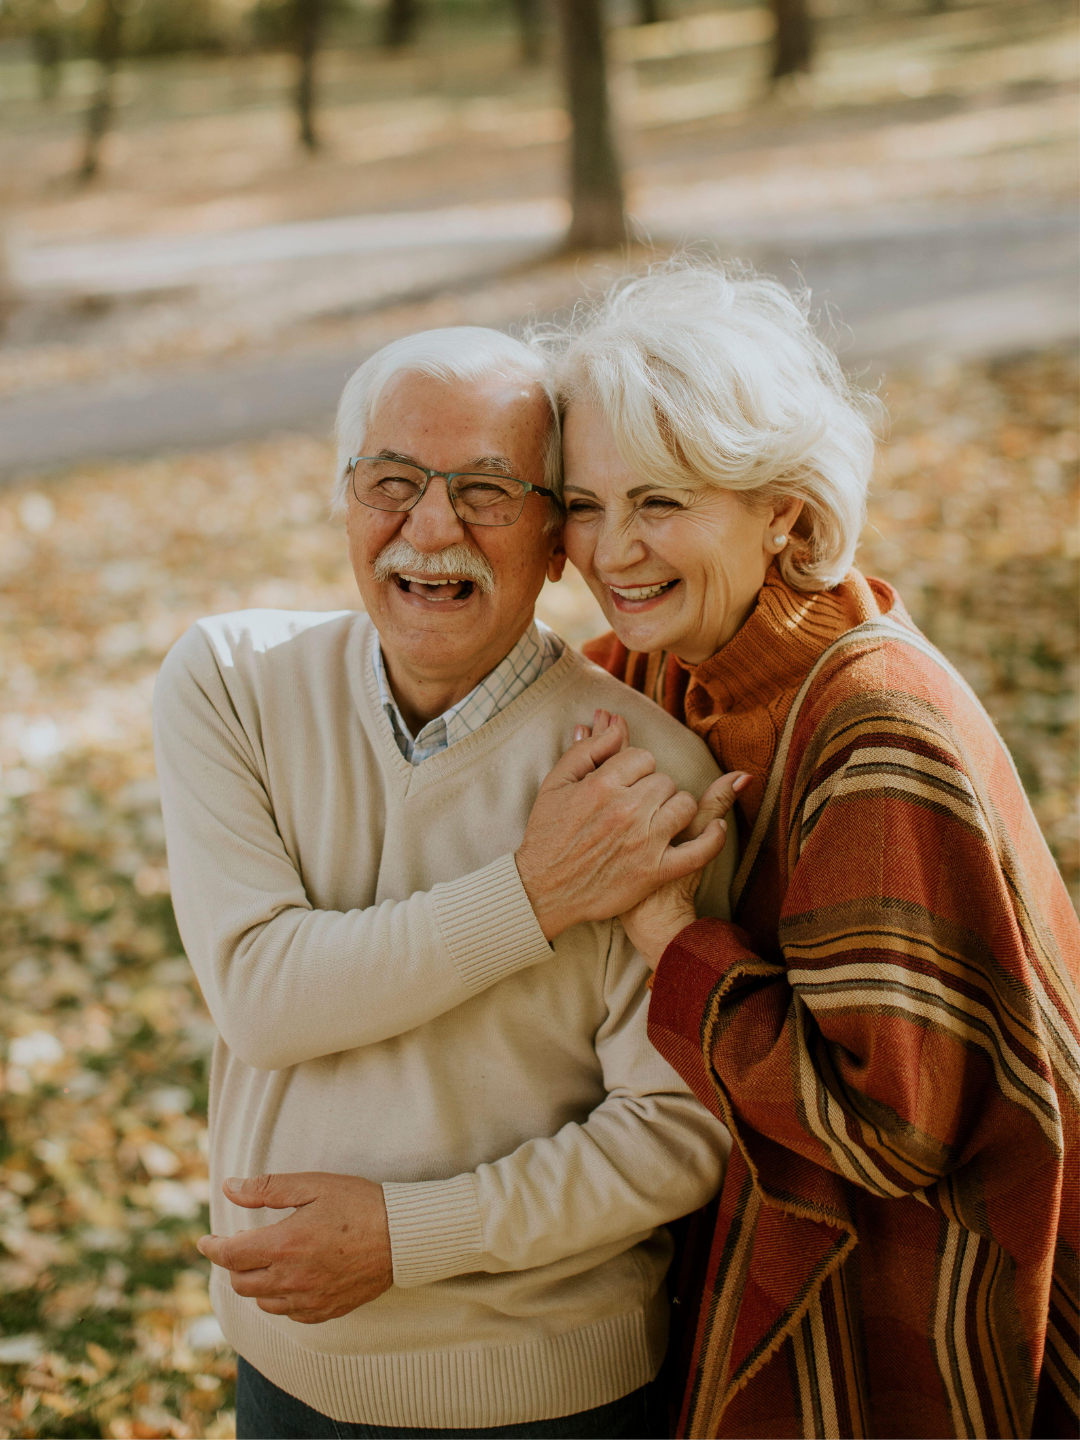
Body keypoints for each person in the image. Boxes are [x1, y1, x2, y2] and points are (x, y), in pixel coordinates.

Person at [153, 326, 739, 1440]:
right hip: (282, 1365)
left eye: (486, 490)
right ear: (345, 500)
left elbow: (677, 1134)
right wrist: (533, 893)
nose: (430, 528)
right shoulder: (232, 685)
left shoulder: (642, 780)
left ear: (556, 541)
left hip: (547, 1393)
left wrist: (407, 1237)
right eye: (392, 481)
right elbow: (262, 999)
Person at [552, 262, 1080, 1439]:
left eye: (660, 502)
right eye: (584, 504)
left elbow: (894, 1129)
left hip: (920, 1287)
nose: (613, 550)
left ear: (784, 511)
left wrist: (668, 934)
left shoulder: (875, 730)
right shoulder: (664, 666)